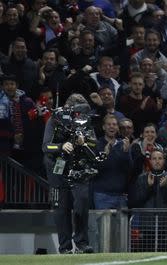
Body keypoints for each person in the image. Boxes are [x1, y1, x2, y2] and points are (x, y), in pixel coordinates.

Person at [42, 94, 96, 254]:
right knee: (61, 209)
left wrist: (84, 143)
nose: (81, 116)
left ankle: (82, 244)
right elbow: (46, 147)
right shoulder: (54, 120)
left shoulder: (86, 122)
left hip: (78, 169)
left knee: (82, 203)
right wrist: (61, 146)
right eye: (78, 113)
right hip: (57, 169)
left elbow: (94, 144)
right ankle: (65, 247)